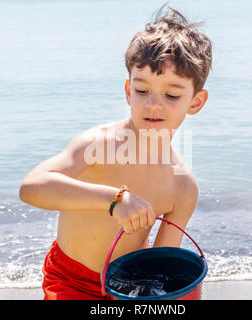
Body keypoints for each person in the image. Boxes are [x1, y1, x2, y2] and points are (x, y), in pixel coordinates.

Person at [19, 3, 212, 300]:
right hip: (71, 279)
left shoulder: (182, 186)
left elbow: (161, 267)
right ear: (127, 90)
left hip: (132, 286)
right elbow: (31, 187)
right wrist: (114, 199)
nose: (153, 104)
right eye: (142, 90)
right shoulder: (99, 144)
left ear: (196, 103)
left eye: (172, 94)